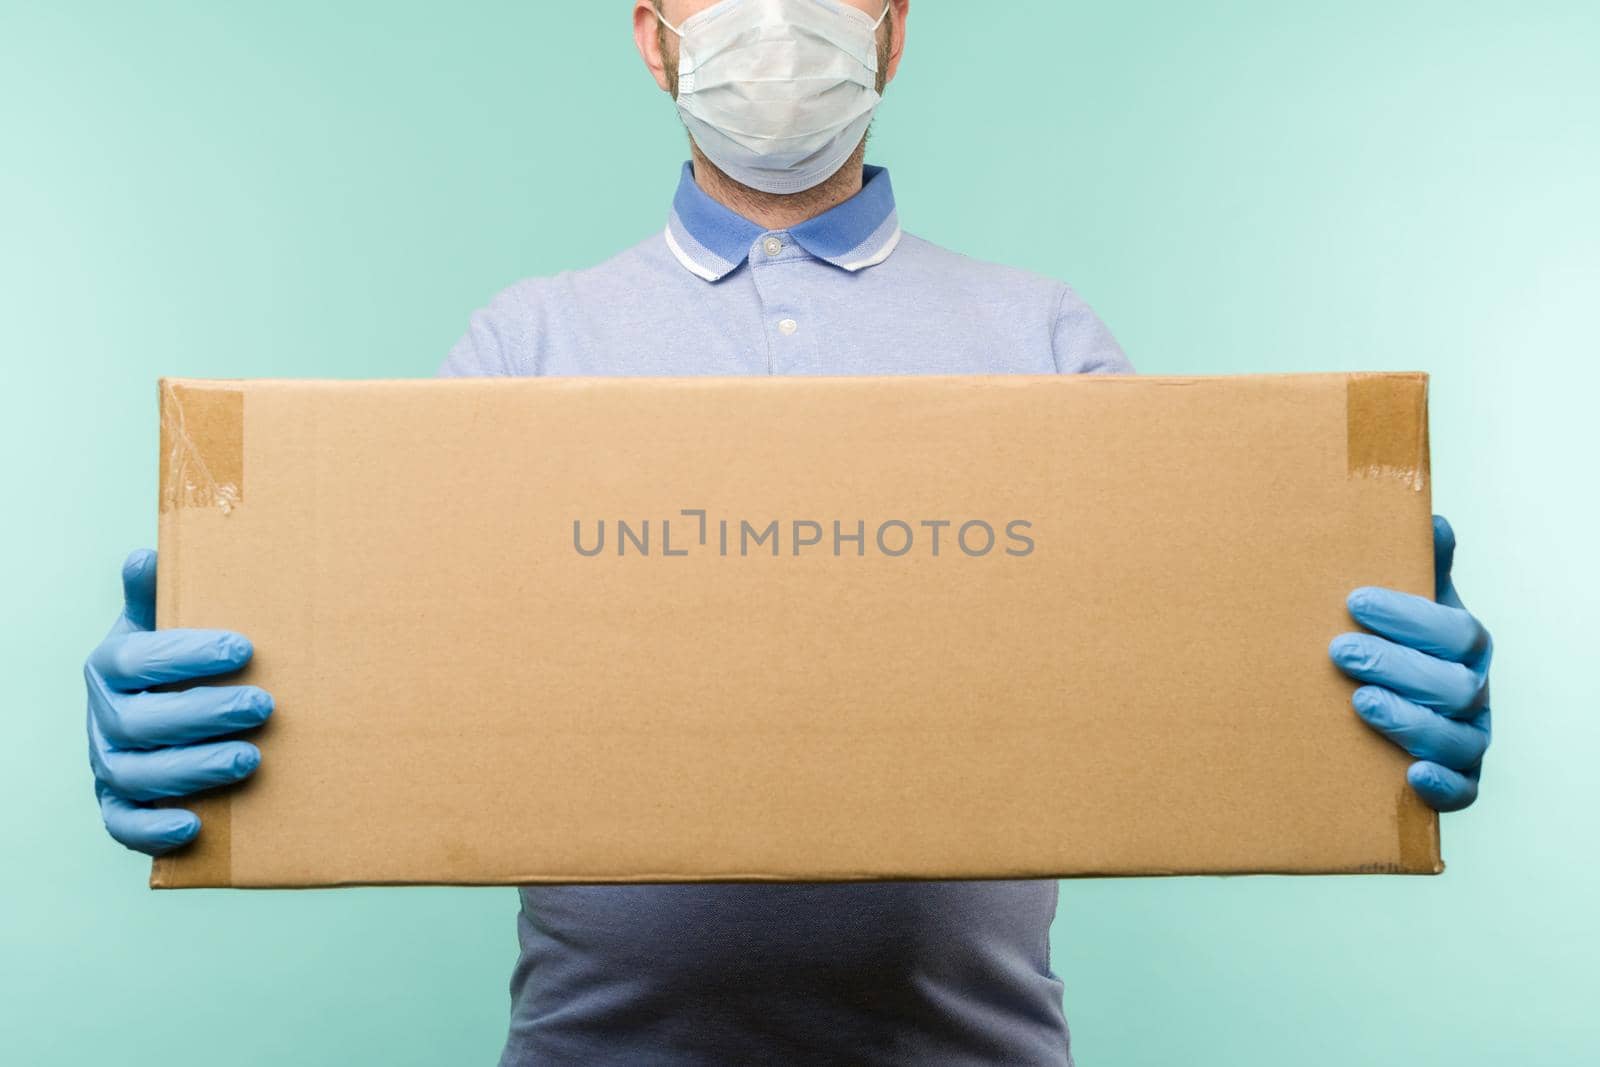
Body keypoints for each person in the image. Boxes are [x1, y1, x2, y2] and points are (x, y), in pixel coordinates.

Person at [82, 2, 1496, 1063]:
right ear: (651, 35)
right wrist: (223, 707)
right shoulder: (527, 338)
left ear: (888, 28)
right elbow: (408, 671)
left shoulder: (1044, 333)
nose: (774, 20)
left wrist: (1336, 698)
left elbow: (1160, 664)